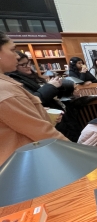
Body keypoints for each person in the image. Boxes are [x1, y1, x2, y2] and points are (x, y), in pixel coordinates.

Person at [0, 31, 67, 165]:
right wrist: (80, 155)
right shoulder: (5, 90)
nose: (16, 56)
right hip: (25, 164)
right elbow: (43, 133)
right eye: (12, 50)